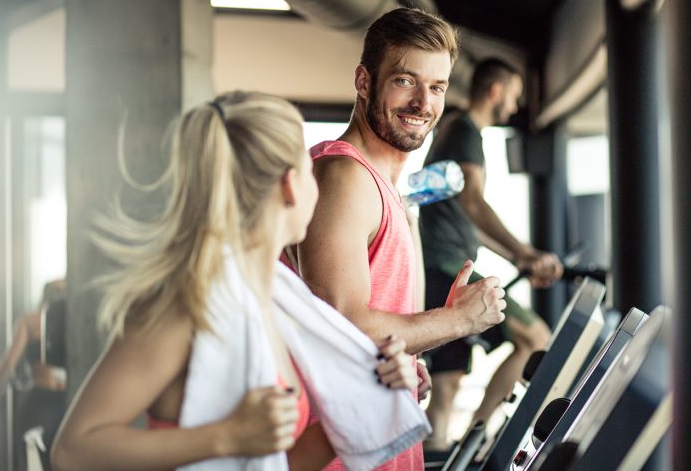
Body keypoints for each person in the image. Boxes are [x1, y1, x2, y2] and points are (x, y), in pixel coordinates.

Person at [51, 91, 424, 471]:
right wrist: (227, 435)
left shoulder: (276, 301)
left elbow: (276, 463)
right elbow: (72, 450)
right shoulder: (186, 302)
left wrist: (372, 392)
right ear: (290, 185)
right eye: (310, 171)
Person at [286, 8, 507, 471]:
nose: (423, 103)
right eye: (405, 81)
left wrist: (405, 363)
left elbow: (368, 338)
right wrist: (459, 320)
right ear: (364, 82)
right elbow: (344, 329)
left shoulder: (383, 189)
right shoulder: (344, 176)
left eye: (437, 87)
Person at [419, 58, 563, 453]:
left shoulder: (452, 128)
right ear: (495, 91)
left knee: (446, 384)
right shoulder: (466, 131)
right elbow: (474, 202)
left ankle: (447, 450)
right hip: (448, 266)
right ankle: (479, 443)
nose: (515, 107)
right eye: (514, 97)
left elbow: (472, 221)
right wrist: (524, 250)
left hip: (442, 264)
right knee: (534, 337)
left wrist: (521, 258)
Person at [0, 279, 67, 471]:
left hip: (40, 404)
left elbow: (7, 364)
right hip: (68, 405)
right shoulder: (75, 323)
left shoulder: (29, 321)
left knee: (35, 464)